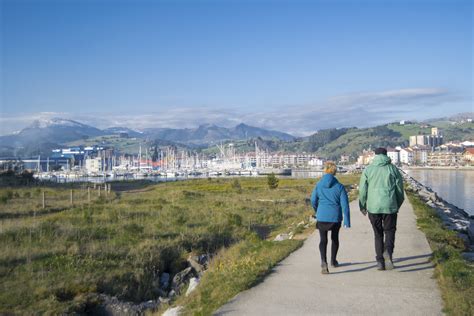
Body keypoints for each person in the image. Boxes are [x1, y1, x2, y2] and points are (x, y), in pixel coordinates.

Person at [358, 147, 404, 270]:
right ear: (386, 155)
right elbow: (400, 190)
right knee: (390, 231)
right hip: (390, 206)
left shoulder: (368, 170)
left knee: (377, 234)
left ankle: (380, 261)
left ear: (375, 155)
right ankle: (388, 252)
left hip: (373, 207)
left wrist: (362, 205)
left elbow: (362, 190)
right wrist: (397, 204)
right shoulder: (393, 169)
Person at [310, 161, 351, 274]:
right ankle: (333, 261)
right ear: (335, 172)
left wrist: (317, 209)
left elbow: (313, 200)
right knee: (335, 238)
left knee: (323, 240)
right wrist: (347, 220)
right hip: (335, 217)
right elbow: (345, 205)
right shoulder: (339, 186)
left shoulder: (318, 185)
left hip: (322, 216)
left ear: (325, 170)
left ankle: (324, 262)